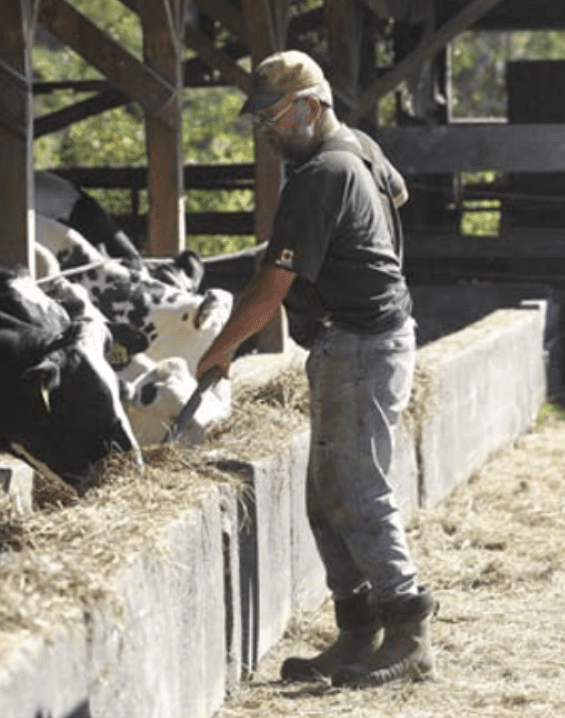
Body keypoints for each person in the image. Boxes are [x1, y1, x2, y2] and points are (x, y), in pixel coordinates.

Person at [196, 50, 436, 688]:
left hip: (359, 343)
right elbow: (399, 193)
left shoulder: (320, 175)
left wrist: (221, 350)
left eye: (273, 115)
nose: (266, 130)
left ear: (312, 104)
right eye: (262, 119)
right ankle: (358, 633)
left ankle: (408, 630)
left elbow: (270, 289)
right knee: (326, 496)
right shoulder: (358, 149)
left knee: (357, 492)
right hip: (366, 338)